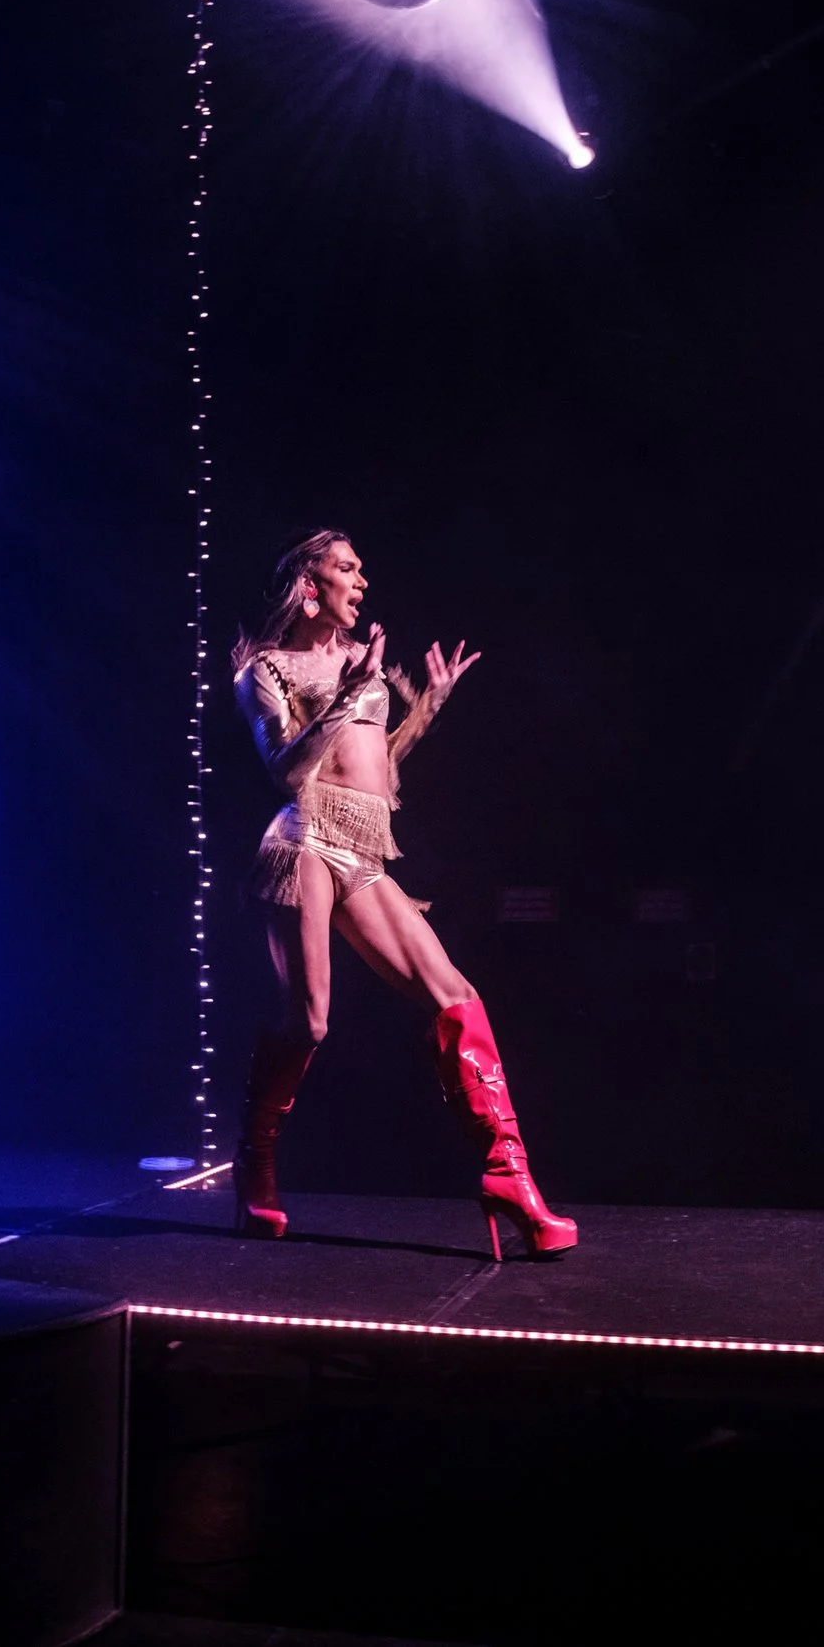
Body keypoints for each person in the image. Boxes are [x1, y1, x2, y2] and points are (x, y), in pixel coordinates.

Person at [227, 529, 577, 1260]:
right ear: (310, 584)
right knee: (310, 1022)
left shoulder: (366, 664)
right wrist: (345, 696)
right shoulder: (266, 669)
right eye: (346, 568)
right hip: (303, 840)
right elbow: (288, 771)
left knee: (456, 995)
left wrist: (425, 710)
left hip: (363, 847)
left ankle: (508, 1175)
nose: (362, 581)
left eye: (362, 570)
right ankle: (255, 1160)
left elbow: (376, 772)